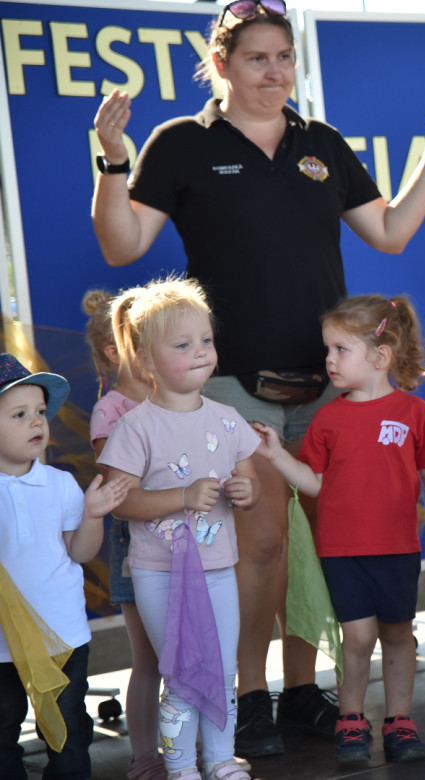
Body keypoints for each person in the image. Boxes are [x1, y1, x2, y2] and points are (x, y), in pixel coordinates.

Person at [91, 0, 425, 757]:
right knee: (259, 544)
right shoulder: (181, 143)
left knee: (327, 544)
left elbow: (389, 231)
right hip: (231, 379)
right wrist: (112, 160)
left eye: (285, 57)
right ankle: (249, 698)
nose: (275, 72)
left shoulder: (320, 142)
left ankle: (301, 692)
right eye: (257, 58)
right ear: (221, 65)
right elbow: (122, 245)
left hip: (330, 382)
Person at [251, 294, 425, 765]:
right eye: (328, 349)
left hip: (397, 548)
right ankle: (351, 719)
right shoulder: (327, 418)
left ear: (380, 356)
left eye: (341, 349)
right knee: (360, 637)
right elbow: (315, 483)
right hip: (342, 551)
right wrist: (276, 455)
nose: (329, 360)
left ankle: (400, 720)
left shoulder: (412, 412)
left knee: (399, 634)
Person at [98, 277, 261, 780]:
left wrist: (246, 492)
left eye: (206, 340)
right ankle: (180, 764)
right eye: (183, 345)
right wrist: (183, 497)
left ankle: (220, 758)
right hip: (159, 572)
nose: (201, 352)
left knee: (223, 667)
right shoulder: (135, 427)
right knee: (181, 671)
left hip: (218, 569)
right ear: (146, 359)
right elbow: (121, 504)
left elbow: (250, 482)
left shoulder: (228, 419)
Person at [0, 354, 130, 780]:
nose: (37, 422)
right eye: (19, 414)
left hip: (62, 634)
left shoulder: (60, 483)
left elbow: (80, 553)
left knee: (69, 727)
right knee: (2, 730)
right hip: (2, 643)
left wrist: (92, 515)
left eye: (40, 411)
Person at [85, 287, 167, 779]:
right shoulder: (110, 410)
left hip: (186, 538)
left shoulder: (173, 400)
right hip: (135, 542)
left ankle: (194, 748)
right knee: (150, 657)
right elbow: (121, 481)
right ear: (116, 353)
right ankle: (144, 756)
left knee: (189, 651)